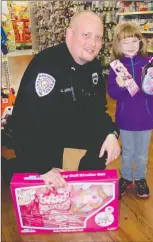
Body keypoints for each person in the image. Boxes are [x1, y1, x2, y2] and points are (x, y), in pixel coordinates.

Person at [2, 11, 120, 189]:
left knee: (103, 144)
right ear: (69, 34)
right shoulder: (46, 65)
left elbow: (98, 110)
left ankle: (81, 178)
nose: (93, 44)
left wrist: (111, 134)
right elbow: (25, 121)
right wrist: (43, 168)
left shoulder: (94, 67)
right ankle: (10, 168)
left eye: (98, 37)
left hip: (69, 133)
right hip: (43, 140)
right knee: (32, 177)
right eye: (86, 35)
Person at [107, 22, 153, 199]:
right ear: (118, 45)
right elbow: (112, 93)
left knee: (142, 152)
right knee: (127, 151)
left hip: (146, 117)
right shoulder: (116, 67)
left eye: (134, 41)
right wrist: (120, 87)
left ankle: (140, 178)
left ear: (141, 42)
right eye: (125, 42)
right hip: (126, 119)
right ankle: (126, 177)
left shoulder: (147, 62)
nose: (130, 46)